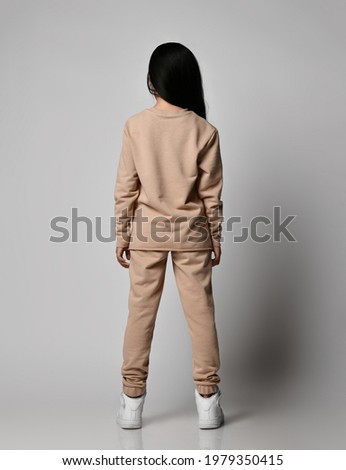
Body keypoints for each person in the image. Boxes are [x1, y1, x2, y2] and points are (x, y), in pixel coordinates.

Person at [114, 42, 224, 429]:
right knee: (201, 314)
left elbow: (126, 188)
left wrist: (122, 233)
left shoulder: (135, 126)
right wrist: (215, 237)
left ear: (151, 80)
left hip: (146, 233)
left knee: (140, 314)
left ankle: (131, 403)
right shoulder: (204, 130)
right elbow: (212, 195)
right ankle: (208, 404)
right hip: (192, 234)